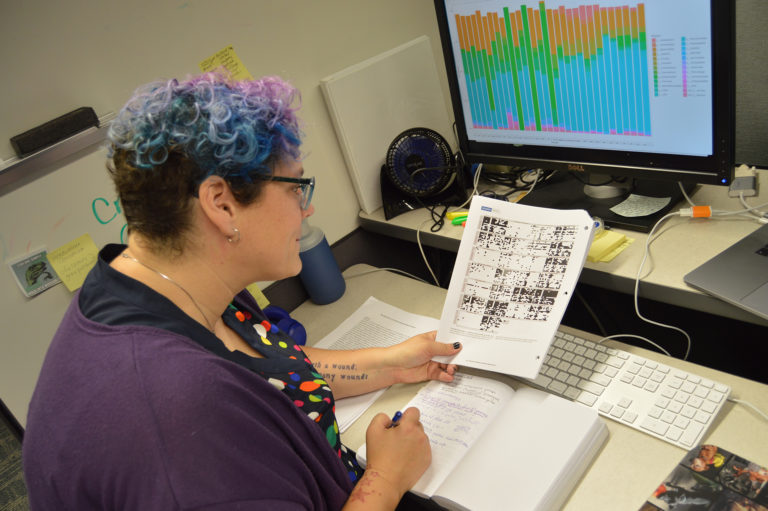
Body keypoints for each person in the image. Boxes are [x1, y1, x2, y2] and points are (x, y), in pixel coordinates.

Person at [22, 73, 462, 510]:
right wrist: (386, 478)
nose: (307, 208)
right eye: (295, 188)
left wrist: (388, 365)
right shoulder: (179, 425)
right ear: (221, 203)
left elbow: (263, 368)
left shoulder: (164, 281)